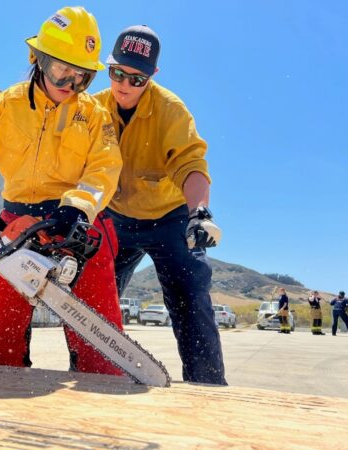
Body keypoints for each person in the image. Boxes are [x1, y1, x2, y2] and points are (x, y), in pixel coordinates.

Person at [0, 6, 123, 375]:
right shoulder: (4, 106)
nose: (69, 83)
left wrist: (78, 206)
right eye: (62, 69)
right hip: (16, 224)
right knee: (0, 339)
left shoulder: (94, 115)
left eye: (82, 76)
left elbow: (104, 168)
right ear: (38, 58)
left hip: (78, 222)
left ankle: (104, 394)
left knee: (101, 347)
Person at [94, 25, 226, 384]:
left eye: (136, 79)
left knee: (190, 297)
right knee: (93, 298)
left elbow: (192, 164)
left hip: (169, 219)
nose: (124, 84)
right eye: (117, 73)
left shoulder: (171, 111)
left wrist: (199, 213)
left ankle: (207, 388)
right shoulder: (91, 110)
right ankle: (92, 374)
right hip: (115, 217)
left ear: (153, 76)